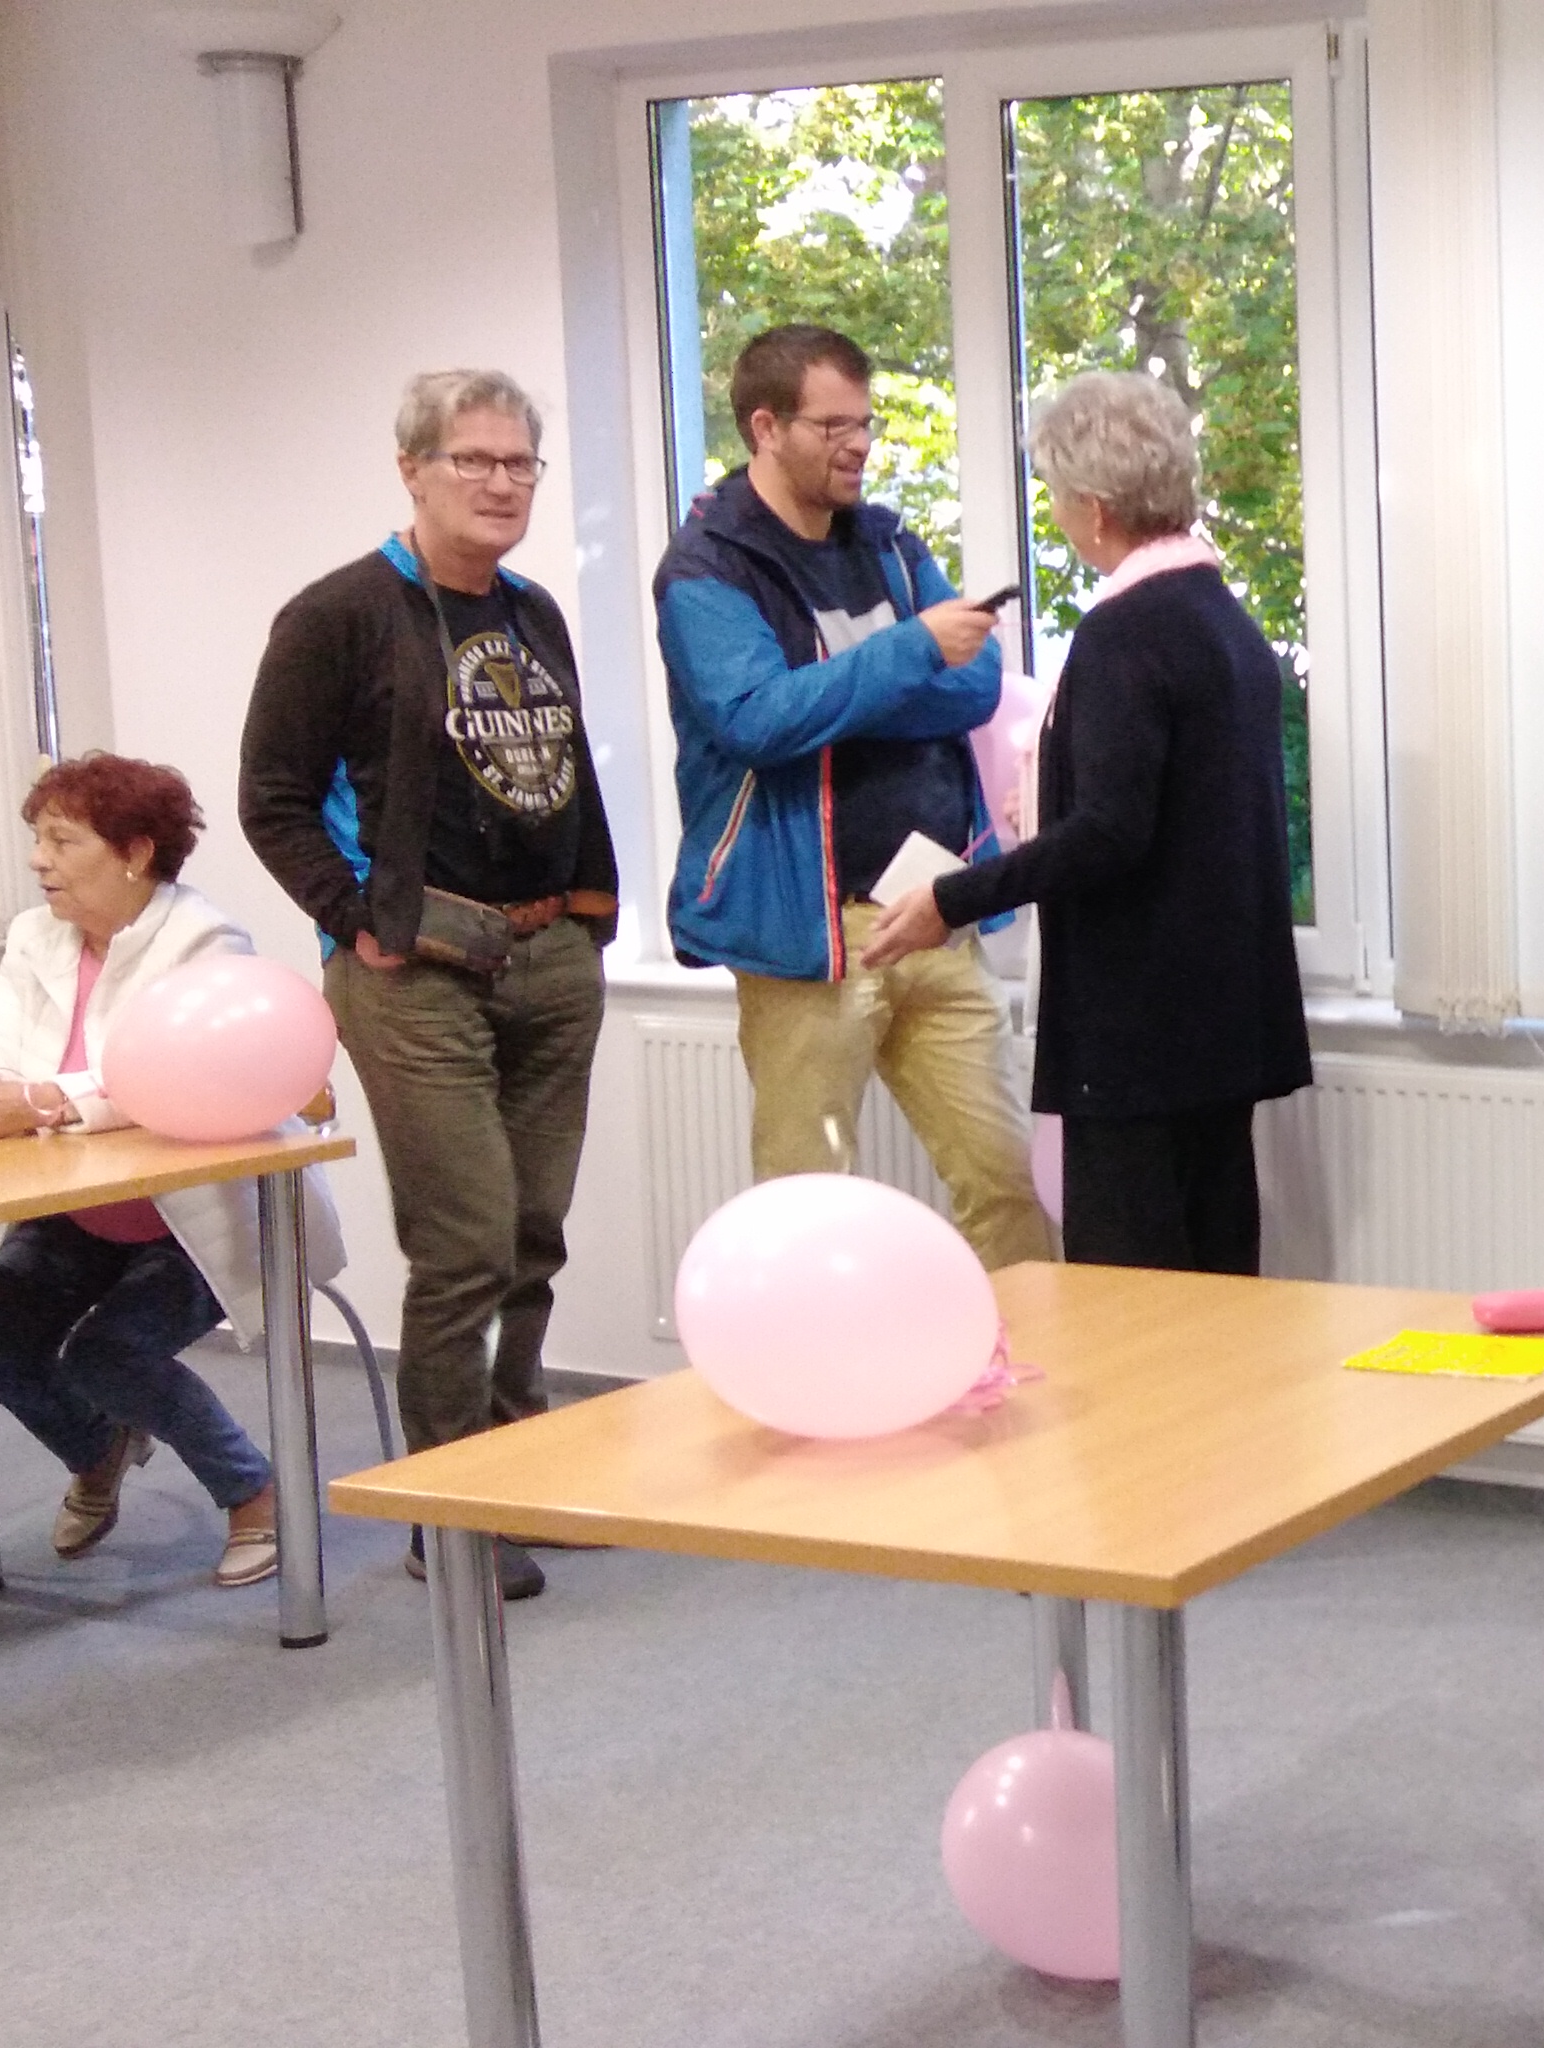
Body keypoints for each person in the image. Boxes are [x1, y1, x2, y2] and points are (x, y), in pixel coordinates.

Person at [242, 366, 616, 1603]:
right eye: (474, 460)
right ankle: (447, 1510)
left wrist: (591, 916)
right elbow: (273, 801)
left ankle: (517, 1469)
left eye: (519, 463)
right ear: (412, 469)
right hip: (415, 975)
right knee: (463, 1243)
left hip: (549, 955)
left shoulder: (532, 610)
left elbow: (562, 774)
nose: (501, 483)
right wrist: (364, 923)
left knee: (533, 1236)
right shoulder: (337, 615)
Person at [865, 372, 1309, 1273]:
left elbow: (1111, 832)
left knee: (1128, 1299)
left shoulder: (1125, 632)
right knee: (1219, 1281)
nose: (1060, 515)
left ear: (1095, 509)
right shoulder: (1226, 621)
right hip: (1222, 1017)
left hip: (1140, 1025)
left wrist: (951, 899)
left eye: (1058, 496)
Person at [654, 324, 1054, 1272]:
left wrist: (838, 695)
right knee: (809, 1200)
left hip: (936, 913)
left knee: (1009, 1181)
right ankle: (806, 1366)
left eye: (865, 424)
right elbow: (757, 720)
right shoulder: (708, 568)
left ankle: (1030, 1354)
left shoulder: (888, 543)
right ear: (765, 427)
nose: (860, 445)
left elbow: (976, 685)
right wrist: (907, 653)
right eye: (833, 426)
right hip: (810, 933)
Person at [0, 755, 348, 1591]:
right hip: (80, 1207)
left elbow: (175, 1077)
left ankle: (253, 1492)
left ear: (135, 853)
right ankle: (98, 1445)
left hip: (193, 1217)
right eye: (38, 840)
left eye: (62, 841)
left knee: (108, 1356)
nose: (38, 860)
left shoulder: (204, 941)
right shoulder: (36, 934)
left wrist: (39, 1100)